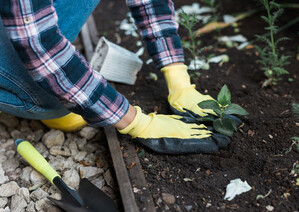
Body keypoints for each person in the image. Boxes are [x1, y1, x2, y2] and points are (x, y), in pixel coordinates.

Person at [0, 0, 231, 154]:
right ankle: (33, 99)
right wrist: (136, 122)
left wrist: (178, 78)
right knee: (48, 97)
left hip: (22, 16)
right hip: (24, 23)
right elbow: (38, 45)